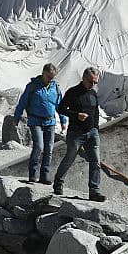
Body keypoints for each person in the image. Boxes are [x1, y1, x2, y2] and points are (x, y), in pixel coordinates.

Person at [53, 66, 106, 202]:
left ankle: (94, 191)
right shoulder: (73, 92)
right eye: (90, 81)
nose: (92, 85)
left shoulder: (93, 93)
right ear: (83, 78)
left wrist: (96, 130)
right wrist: (76, 115)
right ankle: (58, 183)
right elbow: (61, 108)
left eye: (95, 82)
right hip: (76, 133)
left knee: (95, 161)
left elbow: (95, 112)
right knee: (69, 158)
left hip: (92, 133)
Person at [13, 63, 66, 184]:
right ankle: (33, 173)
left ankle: (45, 175)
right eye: (48, 77)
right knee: (39, 146)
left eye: (52, 77)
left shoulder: (55, 88)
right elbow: (22, 102)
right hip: (35, 121)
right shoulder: (32, 87)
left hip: (50, 121)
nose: (50, 80)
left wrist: (63, 120)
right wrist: (16, 117)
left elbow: (59, 105)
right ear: (43, 73)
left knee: (49, 148)